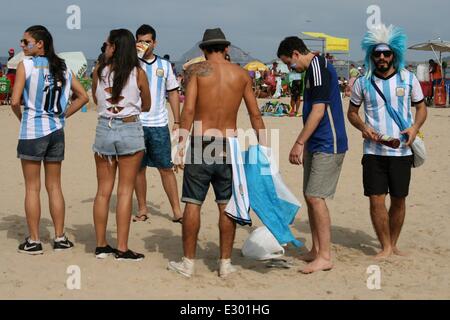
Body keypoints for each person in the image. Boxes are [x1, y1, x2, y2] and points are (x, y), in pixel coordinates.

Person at [168, 28, 266, 278]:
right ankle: (225, 263)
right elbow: (255, 114)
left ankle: (188, 263)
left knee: (192, 202)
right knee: (226, 205)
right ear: (226, 49)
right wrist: (264, 147)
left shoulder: (196, 73)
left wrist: (180, 145)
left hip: (201, 140)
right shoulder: (241, 74)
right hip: (229, 144)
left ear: (203, 50)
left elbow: (188, 111)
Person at [347, 24, 427, 259]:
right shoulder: (363, 82)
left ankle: (393, 243)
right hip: (373, 151)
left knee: (399, 200)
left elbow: (421, 108)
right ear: (371, 55)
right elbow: (351, 113)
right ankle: (385, 246)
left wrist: (415, 128)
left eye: (386, 53)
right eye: (377, 53)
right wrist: (363, 127)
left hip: (402, 152)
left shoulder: (408, 78)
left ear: (394, 54)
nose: (382, 57)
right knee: (376, 200)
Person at [10, 25, 89, 254]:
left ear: (40, 43)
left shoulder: (26, 65)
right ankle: (59, 237)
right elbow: (83, 96)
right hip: (56, 130)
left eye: (26, 42)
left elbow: (15, 101)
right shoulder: (62, 66)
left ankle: (34, 241)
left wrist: (22, 119)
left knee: (32, 188)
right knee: (54, 186)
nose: (23, 45)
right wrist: (63, 115)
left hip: (33, 131)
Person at [277, 36, 348, 273]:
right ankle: (317, 249)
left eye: (289, 63)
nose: (290, 68)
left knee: (317, 197)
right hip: (316, 143)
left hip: (329, 142)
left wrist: (299, 142)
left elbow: (319, 111)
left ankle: (325, 256)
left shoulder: (317, 68)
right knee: (310, 195)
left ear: (297, 54)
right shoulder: (312, 71)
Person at [91, 29, 151, 261]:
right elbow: (147, 104)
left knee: (103, 191)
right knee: (125, 191)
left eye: (107, 44)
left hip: (105, 127)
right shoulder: (137, 73)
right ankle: (122, 247)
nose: (105, 47)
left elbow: (98, 99)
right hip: (129, 127)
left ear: (115, 46)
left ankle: (100, 245)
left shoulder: (99, 71)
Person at [133, 24, 183, 223]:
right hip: (135, 124)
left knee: (166, 167)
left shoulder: (164, 65)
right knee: (138, 168)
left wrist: (177, 120)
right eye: (140, 40)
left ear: (154, 43)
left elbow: (172, 92)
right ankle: (143, 209)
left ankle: (177, 210)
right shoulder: (131, 64)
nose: (143, 44)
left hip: (158, 124)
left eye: (147, 41)